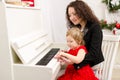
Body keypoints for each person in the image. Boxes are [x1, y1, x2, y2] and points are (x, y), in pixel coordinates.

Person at [65, 0, 104, 70]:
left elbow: (94, 54)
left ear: (82, 12)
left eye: (75, 14)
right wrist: (66, 55)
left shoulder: (95, 27)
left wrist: (75, 62)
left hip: (92, 63)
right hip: (80, 60)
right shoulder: (77, 27)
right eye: (70, 15)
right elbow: (76, 47)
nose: (71, 18)